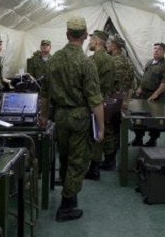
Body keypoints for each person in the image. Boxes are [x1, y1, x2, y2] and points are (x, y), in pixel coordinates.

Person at [39, 17, 105, 222]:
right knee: (78, 161)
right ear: (85, 35)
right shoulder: (87, 63)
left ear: (67, 35)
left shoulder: (53, 60)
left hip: (60, 116)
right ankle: (66, 206)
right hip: (80, 118)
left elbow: (45, 93)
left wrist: (43, 116)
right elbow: (95, 100)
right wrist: (101, 127)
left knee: (66, 156)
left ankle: (70, 192)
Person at [85, 30, 115, 181]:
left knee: (92, 135)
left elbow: (86, 82)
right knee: (98, 133)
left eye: (91, 40)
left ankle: (92, 169)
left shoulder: (94, 60)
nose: (89, 43)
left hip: (93, 101)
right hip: (104, 100)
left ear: (96, 41)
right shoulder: (110, 59)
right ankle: (94, 168)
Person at [131, 42, 165, 147]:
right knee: (139, 117)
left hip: (156, 97)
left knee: (155, 120)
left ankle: (152, 140)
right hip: (144, 95)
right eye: (155, 48)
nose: (156, 50)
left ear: (163, 52)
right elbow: (144, 77)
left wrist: (156, 94)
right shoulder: (149, 63)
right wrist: (140, 87)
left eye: (159, 49)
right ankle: (138, 138)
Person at [104, 35, 135, 169]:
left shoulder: (110, 62)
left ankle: (109, 161)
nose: (107, 44)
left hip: (110, 100)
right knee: (116, 128)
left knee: (108, 129)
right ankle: (113, 157)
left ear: (114, 46)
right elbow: (131, 85)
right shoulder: (128, 62)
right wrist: (126, 102)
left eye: (108, 43)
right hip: (121, 101)